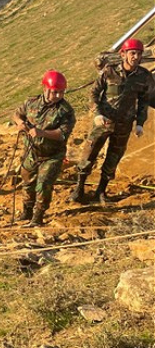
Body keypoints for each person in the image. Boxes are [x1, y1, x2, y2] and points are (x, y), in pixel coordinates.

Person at [71, 38, 155, 203]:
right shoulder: (109, 71)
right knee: (89, 154)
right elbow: (94, 93)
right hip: (103, 122)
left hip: (124, 125)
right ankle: (79, 188)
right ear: (123, 54)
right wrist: (96, 114)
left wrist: (139, 123)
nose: (135, 57)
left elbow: (144, 100)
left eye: (138, 54)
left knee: (113, 158)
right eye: (132, 53)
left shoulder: (144, 77)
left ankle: (101, 192)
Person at [12, 70, 76, 226]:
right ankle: (26, 212)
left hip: (52, 155)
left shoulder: (66, 111)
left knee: (44, 184)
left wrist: (42, 133)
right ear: (45, 89)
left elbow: (62, 134)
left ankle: (38, 216)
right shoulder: (31, 102)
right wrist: (20, 123)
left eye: (61, 92)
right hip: (31, 152)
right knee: (27, 182)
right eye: (55, 92)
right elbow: (17, 114)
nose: (58, 96)